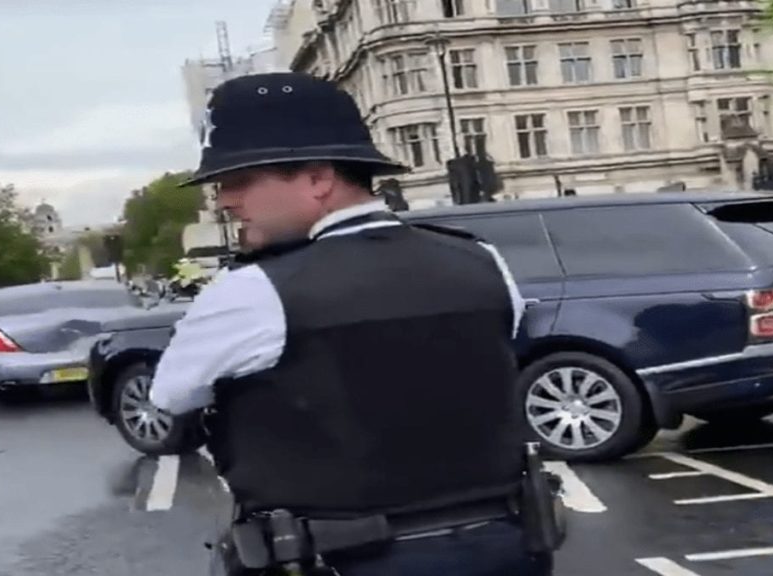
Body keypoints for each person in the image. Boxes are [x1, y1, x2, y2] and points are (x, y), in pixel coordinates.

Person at [147, 72, 559, 576]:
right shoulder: (480, 259)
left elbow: (171, 395)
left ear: (319, 178)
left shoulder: (255, 291)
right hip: (505, 549)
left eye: (238, 180)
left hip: (347, 558)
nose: (225, 200)